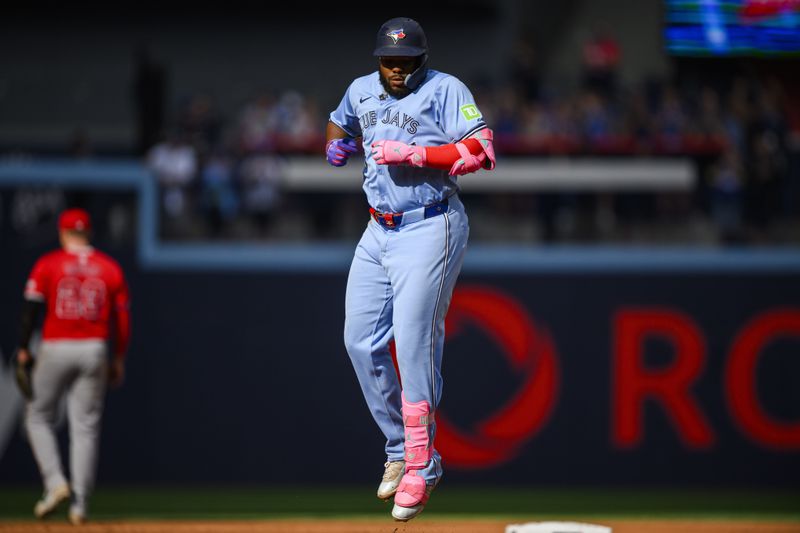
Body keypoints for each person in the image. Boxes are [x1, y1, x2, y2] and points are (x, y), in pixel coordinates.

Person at [325, 17, 495, 522]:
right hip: (378, 228)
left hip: (431, 222)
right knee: (359, 339)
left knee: (413, 334)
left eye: (405, 61)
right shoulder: (362, 89)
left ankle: (423, 462)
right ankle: (400, 448)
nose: (396, 70)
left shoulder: (445, 89)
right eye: (388, 60)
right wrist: (334, 143)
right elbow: (339, 121)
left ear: (422, 58)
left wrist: (418, 153)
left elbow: (482, 151)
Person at [14, 208, 131, 525]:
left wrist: (24, 347)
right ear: (88, 232)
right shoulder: (108, 268)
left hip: (57, 344)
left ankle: (54, 483)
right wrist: (118, 356)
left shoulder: (50, 264)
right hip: (94, 348)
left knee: (37, 417)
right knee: (86, 428)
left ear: (63, 232)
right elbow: (122, 319)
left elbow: (31, 307)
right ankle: (80, 504)